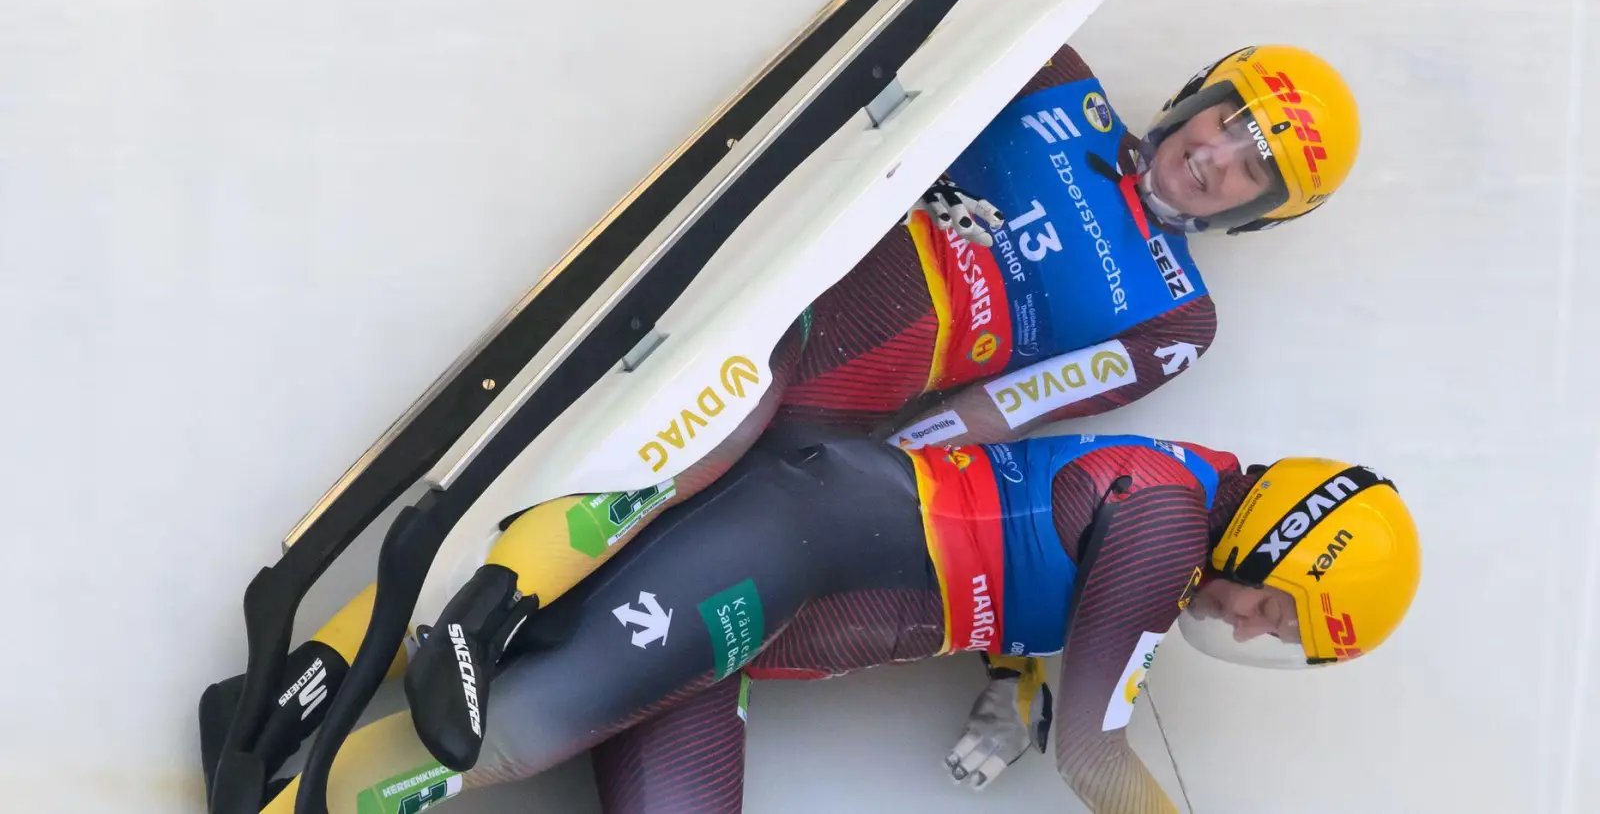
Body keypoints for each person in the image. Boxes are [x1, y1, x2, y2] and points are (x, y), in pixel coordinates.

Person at [230, 40, 1365, 804]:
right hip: (786, 319)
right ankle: (401, 645)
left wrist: (900, 473)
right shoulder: (1057, 82)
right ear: (1198, 95)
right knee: (697, 454)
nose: (1216, 159)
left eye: (1253, 172)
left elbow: (1023, 409)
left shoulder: (1177, 313)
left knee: (681, 627)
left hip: (853, 421)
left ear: (1257, 216)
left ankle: (410, 684)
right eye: (1228, 122)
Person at [260, 428, 1422, 814]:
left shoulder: (1167, 536)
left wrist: (1011, 694)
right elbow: (1095, 749)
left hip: (760, 630)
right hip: (781, 550)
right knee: (515, 735)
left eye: (1277, 636)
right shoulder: (1168, 523)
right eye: (1276, 609)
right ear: (1272, 536)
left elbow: (1049, 641)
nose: (1254, 628)